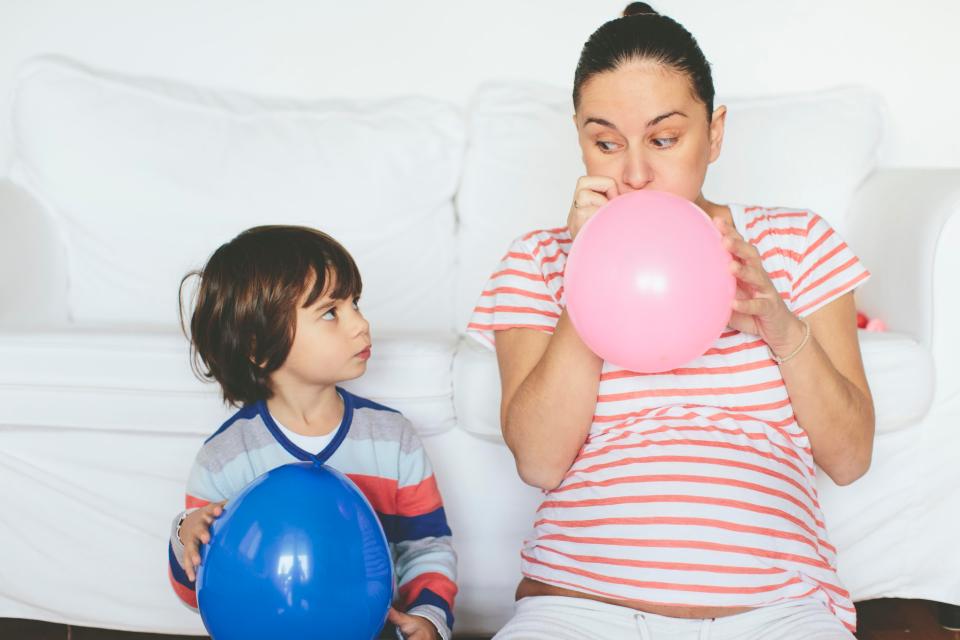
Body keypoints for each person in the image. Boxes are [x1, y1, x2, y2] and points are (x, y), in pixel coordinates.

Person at [467, 3, 874, 639]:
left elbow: (849, 458)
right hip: (579, 608)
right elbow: (541, 463)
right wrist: (589, 273)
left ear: (714, 133)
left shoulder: (796, 244)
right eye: (605, 143)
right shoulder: (540, 258)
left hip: (777, 614)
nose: (633, 173)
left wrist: (781, 326)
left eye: (663, 138)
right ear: (578, 137)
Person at [167, 226, 457, 640]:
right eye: (330, 312)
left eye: (355, 303)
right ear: (258, 346)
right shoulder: (224, 456)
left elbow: (427, 547)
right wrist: (184, 532)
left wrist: (430, 618)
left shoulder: (393, 438)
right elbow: (197, 593)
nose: (361, 323)